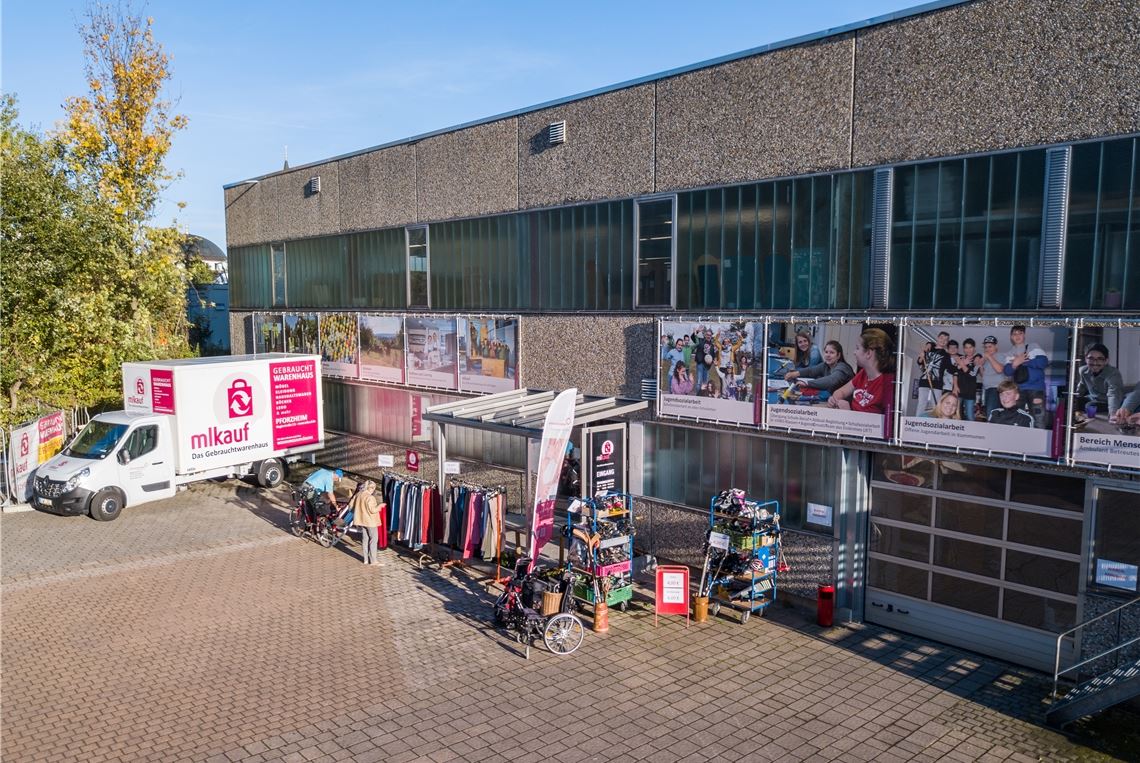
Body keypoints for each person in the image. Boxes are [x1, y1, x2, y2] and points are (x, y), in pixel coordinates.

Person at [827, 328, 895, 415]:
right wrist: (834, 400)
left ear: (868, 353)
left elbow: (883, 421)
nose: (854, 352)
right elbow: (841, 392)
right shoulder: (863, 373)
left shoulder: (887, 384)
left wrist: (849, 412)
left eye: (857, 348)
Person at [1002, 325, 1049, 421]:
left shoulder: (1033, 346)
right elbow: (1007, 372)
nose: (1017, 336)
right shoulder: (1009, 353)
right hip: (1018, 390)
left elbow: (1043, 362)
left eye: (1020, 333)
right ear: (1011, 337)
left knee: (1038, 419)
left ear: (1024, 335)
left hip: (1036, 389)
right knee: (1017, 419)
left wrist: (1023, 361)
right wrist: (1014, 365)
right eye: (1014, 334)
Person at [1074, 342, 1124, 417]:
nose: (1095, 363)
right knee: (1074, 402)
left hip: (1107, 401)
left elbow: (1113, 395)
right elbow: (1082, 386)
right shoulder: (1083, 371)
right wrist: (1075, 398)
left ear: (1106, 361)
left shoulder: (1113, 374)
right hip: (1092, 398)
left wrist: (1113, 414)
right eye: (1091, 358)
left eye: (1100, 359)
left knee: (1090, 406)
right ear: (1086, 359)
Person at [785, 340, 854, 393]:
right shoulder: (825, 365)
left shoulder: (843, 367)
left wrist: (807, 383)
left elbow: (831, 380)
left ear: (838, 355)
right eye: (826, 352)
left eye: (832, 352)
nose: (828, 355)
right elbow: (811, 371)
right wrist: (794, 374)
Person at [350, 480, 384, 566]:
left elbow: (351, 505)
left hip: (361, 521)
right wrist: (380, 506)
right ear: (371, 488)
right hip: (371, 522)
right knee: (373, 540)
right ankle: (373, 561)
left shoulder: (359, 494)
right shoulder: (370, 498)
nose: (374, 490)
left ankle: (365, 559)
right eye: (373, 488)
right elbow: (373, 510)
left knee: (365, 540)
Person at [916, 331, 950, 414]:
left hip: (937, 383)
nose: (943, 341)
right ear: (937, 338)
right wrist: (921, 357)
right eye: (941, 338)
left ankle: (934, 421)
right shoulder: (929, 348)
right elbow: (920, 362)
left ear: (947, 342)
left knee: (936, 404)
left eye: (945, 340)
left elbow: (950, 368)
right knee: (921, 404)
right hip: (924, 380)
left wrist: (959, 365)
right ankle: (917, 420)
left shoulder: (946, 355)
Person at [954, 338, 982, 421]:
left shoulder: (977, 358)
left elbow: (973, 374)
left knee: (970, 416)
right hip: (959, 390)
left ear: (974, 348)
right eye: (966, 348)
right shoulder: (961, 358)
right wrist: (955, 387)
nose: (968, 350)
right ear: (963, 349)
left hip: (970, 392)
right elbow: (955, 373)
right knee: (956, 415)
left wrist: (961, 364)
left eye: (970, 347)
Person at [979, 335, 1006, 415]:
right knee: (988, 414)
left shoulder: (1000, 355)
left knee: (991, 413)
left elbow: (999, 370)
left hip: (996, 388)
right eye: (986, 347)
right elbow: (983, 375)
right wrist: (980, 365)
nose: (987, 349)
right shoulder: (986, 360)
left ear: (996, 346)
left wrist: (989, 357)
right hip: (986, 389)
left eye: (990, 346)